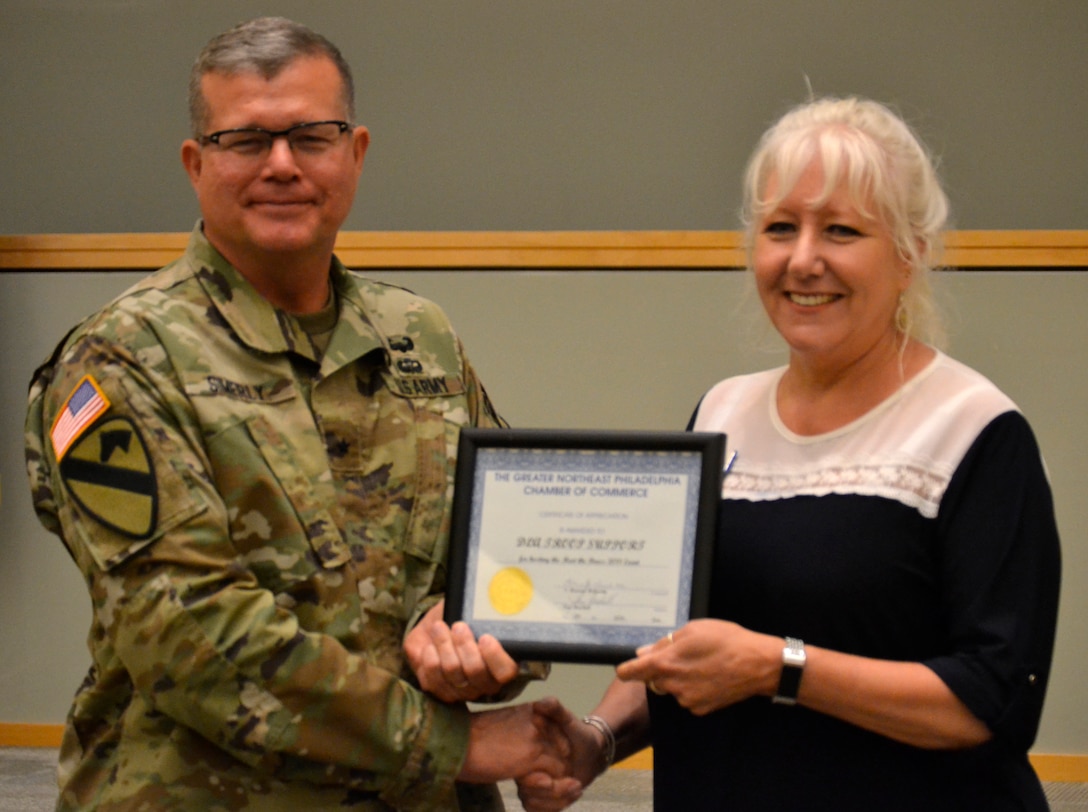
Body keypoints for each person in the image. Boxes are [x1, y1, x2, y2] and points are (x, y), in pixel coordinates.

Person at [24, 16, 574, 811]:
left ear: (355, 153)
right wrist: (453, 744)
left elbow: (514, 536)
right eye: (246, 140)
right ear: (195, 164)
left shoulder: (420, 337)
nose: (281, 165)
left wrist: (477, 632)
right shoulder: (118, 363)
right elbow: (185, 634)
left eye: (311, 137)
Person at [518, 96, 1062, 811]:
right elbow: (675, 644)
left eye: (840, 230)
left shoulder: (973, 430)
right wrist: (596, 739)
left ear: (909, 255)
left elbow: (991, 701)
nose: (804, 260)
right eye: (781, 228)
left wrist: (780, 668)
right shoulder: (722, 413)